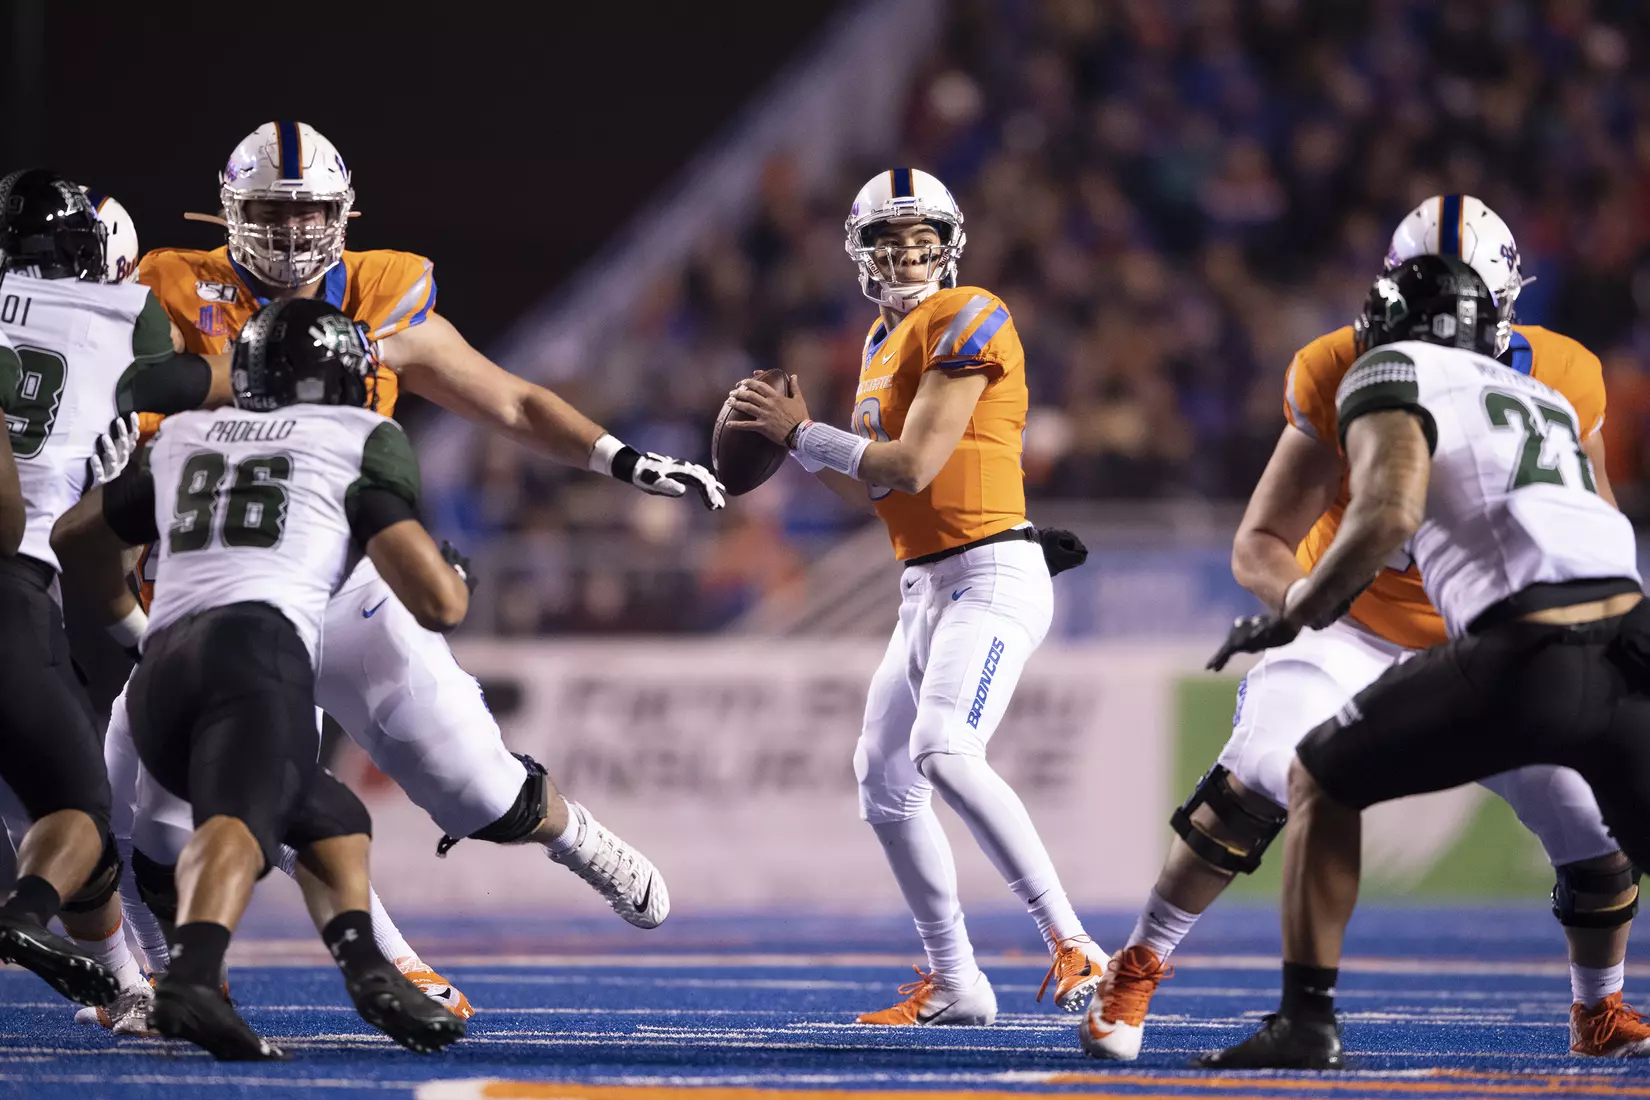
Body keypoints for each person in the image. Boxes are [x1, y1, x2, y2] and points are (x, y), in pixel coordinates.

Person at [111, 120, 727, 1016]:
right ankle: (199, 982)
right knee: (176, 822)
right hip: (216, 586)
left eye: (308, 213)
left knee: (474, 787)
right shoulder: (167, 286)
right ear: (230, 213)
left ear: (343, 213)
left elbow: (509, 399)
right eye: (271, 213)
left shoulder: (380, 294)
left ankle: (568, 831)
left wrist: (622, 459)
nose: (291, 233)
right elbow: (127, 401)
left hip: (346, 582)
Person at [1083, 196, 1648, 1061]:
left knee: (1595, 838)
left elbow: (1578, 509)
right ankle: (1141, 961)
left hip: (1493, 639)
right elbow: (1261, 542)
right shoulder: (1345, 364)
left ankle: (1597, 1009)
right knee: (1261, 773)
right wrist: (1310, 602)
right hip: (1357, 628)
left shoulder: (1560, 371)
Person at [727, 167, 1103, 1025]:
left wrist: (802, 433)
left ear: (949, 243)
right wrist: (799, 448)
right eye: (887, 239)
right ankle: (956, 979)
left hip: (989, 572)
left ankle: (1075, 942)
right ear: (860, 251)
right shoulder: (877, 341)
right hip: (926, 583)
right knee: (883, 780)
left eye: (921, 237)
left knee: (943, 750)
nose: (905, 253)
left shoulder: (971, 311)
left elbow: (914, 465)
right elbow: (875, 489)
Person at [53, 297, 471, 1061]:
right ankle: (191, 980)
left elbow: (73, 534)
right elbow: (439, 604)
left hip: (161, 673)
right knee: (238, 819)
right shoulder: (359, 436)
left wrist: (123, 624)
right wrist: (453, 576)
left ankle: (370, 971)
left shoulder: (186, 434)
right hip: (256, 653)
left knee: (333, 816)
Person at [0, 169, 154, 1010]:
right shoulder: (123, 321)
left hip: (34, 592)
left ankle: (124, 992)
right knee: (77, 812)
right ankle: (30, 919)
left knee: (42, 811)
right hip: (17, 586)